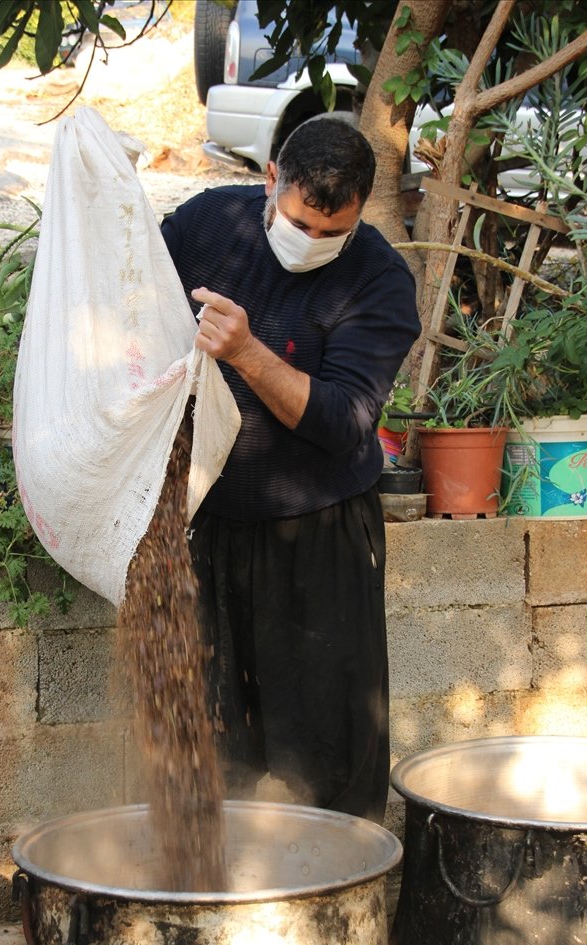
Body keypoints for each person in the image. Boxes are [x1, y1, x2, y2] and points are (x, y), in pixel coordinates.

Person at [160, 116, 420, 824]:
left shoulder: (380, 282)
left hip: (322, 535)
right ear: (270, 178)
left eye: (331, 231)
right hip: (208, 524)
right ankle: (221, 898)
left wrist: (245, 351)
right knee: (213, 737)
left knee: (329, 744)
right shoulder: (208, 226)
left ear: (361, 209)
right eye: (300, 220)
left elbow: (341, 422)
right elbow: (129, 295)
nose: (310, 241)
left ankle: (338, 896)